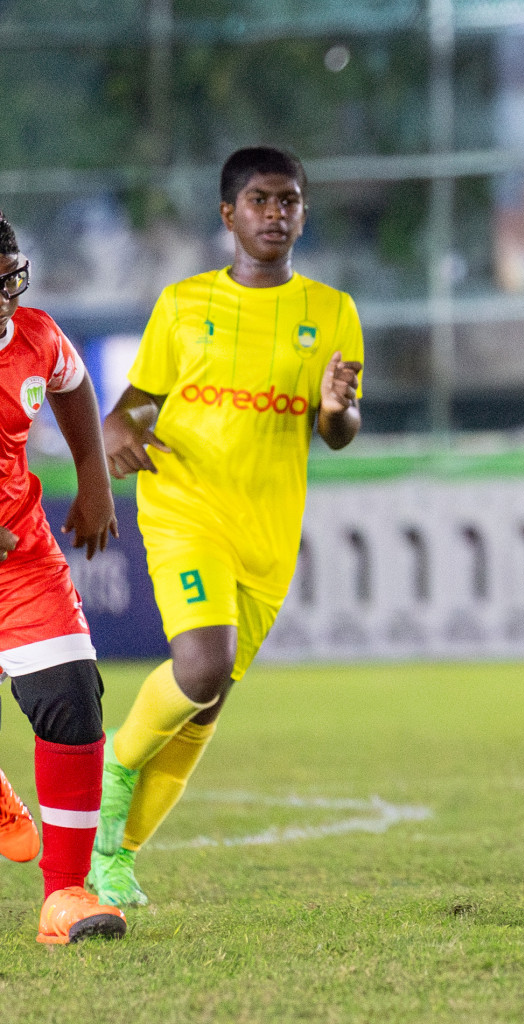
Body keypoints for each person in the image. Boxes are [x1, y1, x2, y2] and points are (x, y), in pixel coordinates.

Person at [88, 147, 364, 907]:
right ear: (228, 215)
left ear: (304, 212)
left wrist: (339, 410)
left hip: (267, 534)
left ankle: (114, 859)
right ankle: (112, 770)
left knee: (206, 703)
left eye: (290, 201)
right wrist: (116, 425)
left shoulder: (331, 312)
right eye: (260, 201)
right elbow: (141, 401)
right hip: (185, 506)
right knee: (202, 666)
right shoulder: (183, 304)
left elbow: (337, 428)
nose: (276, 214)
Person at [0, 212, 128, 943]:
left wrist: (94, 483)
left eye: (6, 282)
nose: (0, 302)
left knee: (73, 694)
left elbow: (72, 382)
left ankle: (64, 899)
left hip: (20, 557)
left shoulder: (35, 335)